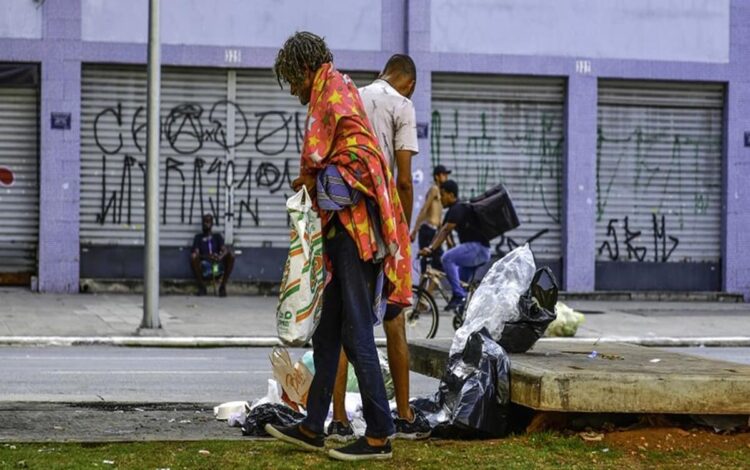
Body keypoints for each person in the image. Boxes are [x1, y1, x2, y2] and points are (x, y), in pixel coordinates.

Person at [265, 32, 412, 461]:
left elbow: (360, 163)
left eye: (292, 79)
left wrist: (316, 181)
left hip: (355, 234)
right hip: (340, 233)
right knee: (328, 332)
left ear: (305, 69)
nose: (292, 89)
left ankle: (380, 434)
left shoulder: (335, 98)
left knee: (354, 331)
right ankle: (313, 425)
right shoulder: (333, 94)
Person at [327, 54, 431, 442]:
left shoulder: (351, 94)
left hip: (345, 222)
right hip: (382, 223)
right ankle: (402, 415)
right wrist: (400, 232)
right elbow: (404, 181)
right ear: (411, 83)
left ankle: (337, 418)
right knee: (393, 319)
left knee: (345, 321)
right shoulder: (401, 105)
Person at [419, 180, 491, 311]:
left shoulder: (457, 208)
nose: (441, 199)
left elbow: (445, 231)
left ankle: (458, 296)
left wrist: (431, 249)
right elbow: (442, 231)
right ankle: (463, 315)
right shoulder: (454, 210)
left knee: (447, 258)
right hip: (478, 251)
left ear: (451, 195)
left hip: (478, 248)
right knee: (461, 281)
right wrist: (431, 247)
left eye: (443, 195)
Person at [410, 164, 452, 274]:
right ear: (437, 177)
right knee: (427, 266)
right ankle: (421, 291)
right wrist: (415, 230)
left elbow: (439, 219)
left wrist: (446, 238)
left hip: (434, 232)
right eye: (444, 175)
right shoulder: (434, 189)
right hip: (427, 230)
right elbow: (424, 209)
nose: (446, 177)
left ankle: (426, 291)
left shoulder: (442, 194)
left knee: (437, 267)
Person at [190, 213, 234, 297]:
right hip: (205, 266)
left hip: (216, 266)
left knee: (231, 255)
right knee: (193, 256)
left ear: (212, 223)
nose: (205, 224)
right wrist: (207, 256)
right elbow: (196, 253)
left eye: (208, 222)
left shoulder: (217, 237)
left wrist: (219, 257)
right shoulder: (198, 237)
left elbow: (224, 250)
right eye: (204, 222)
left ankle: (222, 287)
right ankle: (202, 287)